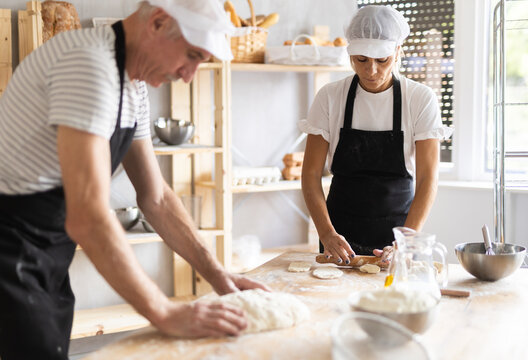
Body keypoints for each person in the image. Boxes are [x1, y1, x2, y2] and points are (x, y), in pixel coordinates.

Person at [0, 1, 270, 359]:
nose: (189, 75)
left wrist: (218, 275)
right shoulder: (89, 66)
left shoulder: (131, 84)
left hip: (44, 254)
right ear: (158, 22)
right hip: (9, 247)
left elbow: (155, 196)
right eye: (191, 55)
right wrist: (165, 311)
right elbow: (88, 216)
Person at [300, 5, 452, 265]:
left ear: (397, 52)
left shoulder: (419, 99)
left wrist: (406, 240)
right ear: (350, 56)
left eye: (382, 60)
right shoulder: (330, 97)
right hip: (339, 232)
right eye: (361, 60)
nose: (371, 71)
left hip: (399, 229)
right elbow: (311, 174)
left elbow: (428, 178)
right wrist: (326, 233)